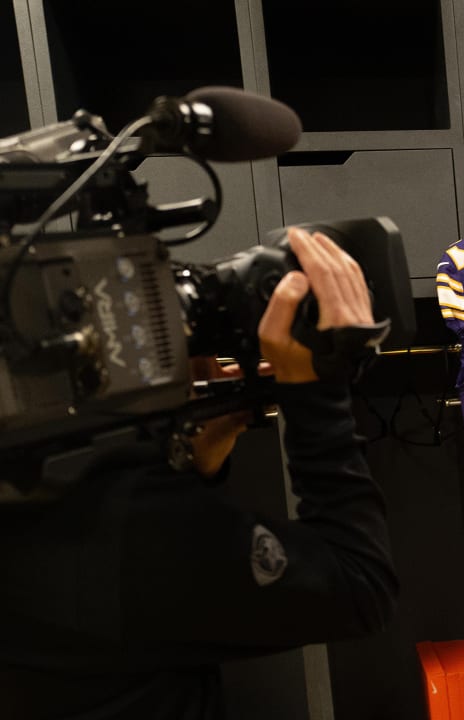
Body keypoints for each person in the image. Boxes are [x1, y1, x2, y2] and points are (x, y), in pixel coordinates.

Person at [0, 228, 398, 718]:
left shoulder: (40, 501)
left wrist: (188, 461)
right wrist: (317, 396)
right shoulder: (132, 535)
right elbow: (359, 584)